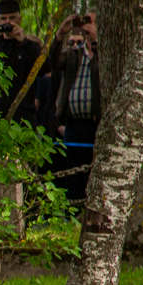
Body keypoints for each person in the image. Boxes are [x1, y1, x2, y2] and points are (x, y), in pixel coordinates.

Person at [52, 23, 100, 205]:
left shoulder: (100, 56)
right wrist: (60, 34)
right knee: (72, 171)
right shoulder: (72, 56)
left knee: (93, 171)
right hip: (73, 123)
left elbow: (103, 64)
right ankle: (72, 213)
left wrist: (95, 42)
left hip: (95, 123)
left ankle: (90, 212)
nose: (76, 45)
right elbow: (54, 62)